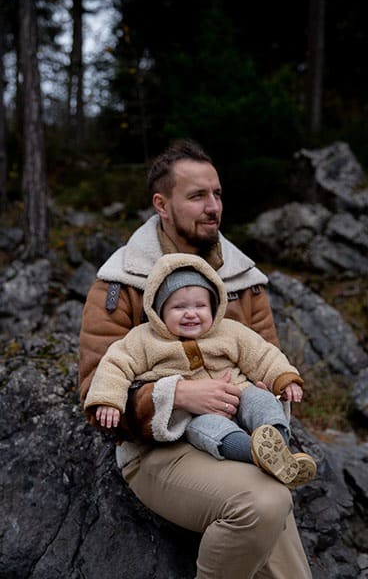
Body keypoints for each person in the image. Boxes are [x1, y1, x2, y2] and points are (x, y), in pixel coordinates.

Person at [79, 138, 313, 578]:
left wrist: (268, 393)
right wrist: (180, 395)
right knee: (266, 501)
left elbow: (267, 357)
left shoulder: (244, 280)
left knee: (275, 499)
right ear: (161, 205)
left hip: (242, 431)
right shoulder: (119, 282)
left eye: (217, 194)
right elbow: (98, 393)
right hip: (156, 449)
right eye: (197, 196)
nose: (213, 207)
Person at [84, 253, 317, 488]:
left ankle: (281, 447)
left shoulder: (230, 331)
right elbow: (114, 365)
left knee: (263, 401)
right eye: (179, 307)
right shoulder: (143, 339)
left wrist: (284, 379)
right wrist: (108, 400)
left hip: (240, 391)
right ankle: (256, 455)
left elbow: (262, 354)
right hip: (193, 414)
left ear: (214, 307)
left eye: (200, 305)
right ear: (158, 311)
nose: (191, 313)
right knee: (212, 432)